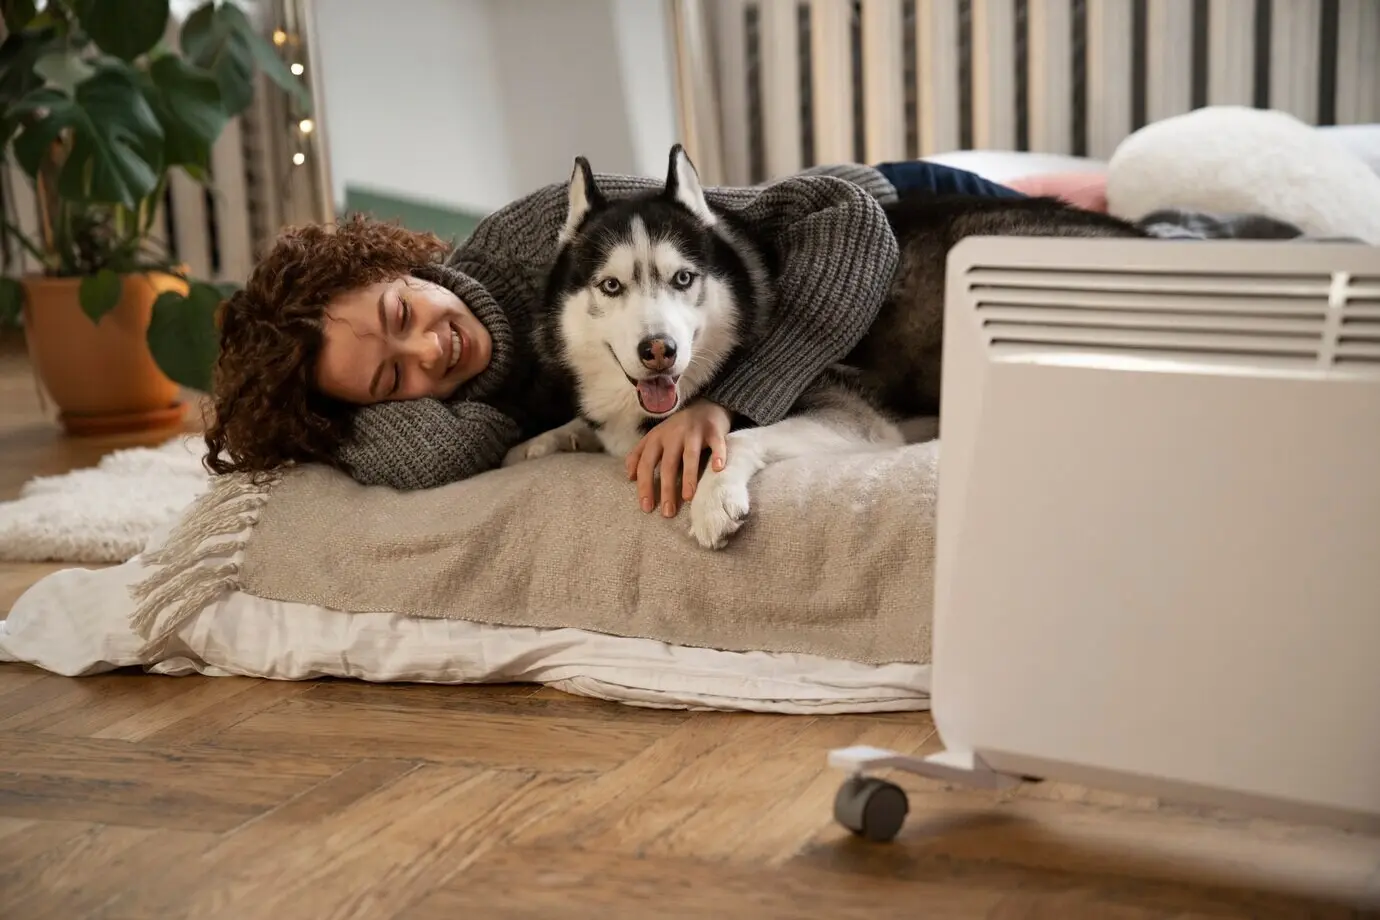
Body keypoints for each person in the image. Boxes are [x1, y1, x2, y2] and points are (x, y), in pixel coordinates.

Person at [204, 159, 1020, 513]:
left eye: (400, 314)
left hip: (900, 213)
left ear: (399, 264)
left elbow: (842, 223)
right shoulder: (467, 414)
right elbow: (425, 460)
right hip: (888, 354)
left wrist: (730, 406)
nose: (428, 349)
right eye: (390, 381)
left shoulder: (535, 238)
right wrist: (321, 423)